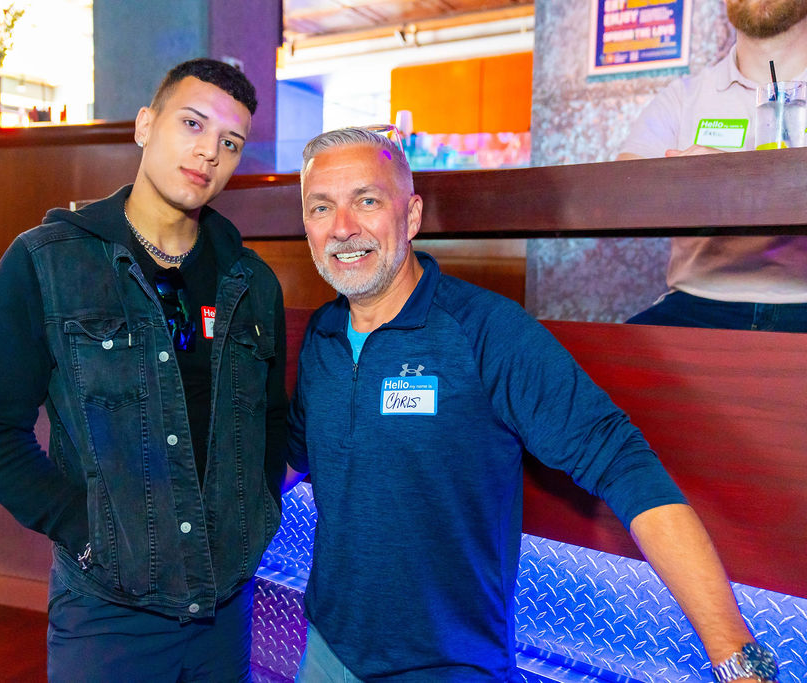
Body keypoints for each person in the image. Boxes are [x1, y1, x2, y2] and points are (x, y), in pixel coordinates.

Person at [285, 127, 777, 681]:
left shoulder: (486, 331)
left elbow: (622, 463)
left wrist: (737, 657)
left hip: (450, 666)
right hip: (327, 649)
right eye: (321, 207)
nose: (343, 227)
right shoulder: (323, 335)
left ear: (412, 215)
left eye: (367, 201)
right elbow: (293, 456)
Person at [0, 58, 287, 681]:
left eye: (230, 142)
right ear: (144, 126)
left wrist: (255, 517)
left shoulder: (251, 282)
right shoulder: (49, 262)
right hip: (108, 613)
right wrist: (88, 532)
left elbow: (268, 422)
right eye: (193, 123)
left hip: (225, 609)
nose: (208, 152)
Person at [617, 0, 807, 331]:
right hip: (697, 301)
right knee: (594, 359)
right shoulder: (683, 97)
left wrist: (727, 176)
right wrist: (691, 179)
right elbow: (622, 192)